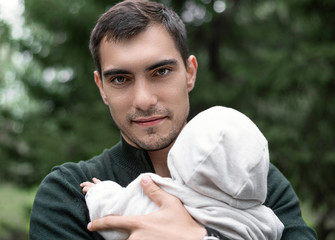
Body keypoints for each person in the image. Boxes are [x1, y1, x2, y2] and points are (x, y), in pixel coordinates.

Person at [29, 0, 317, 239]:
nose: (143, 100)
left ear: (190, 73)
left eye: (161, 72)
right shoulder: (69, 194)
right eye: (120, 78)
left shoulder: (249, 178)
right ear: (102, 88)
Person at [80, 106, 284, 240]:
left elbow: (113, 215)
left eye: (162, 72)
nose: (144, 100)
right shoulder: (266, 220)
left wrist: (99, 192)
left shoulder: (161, 192)